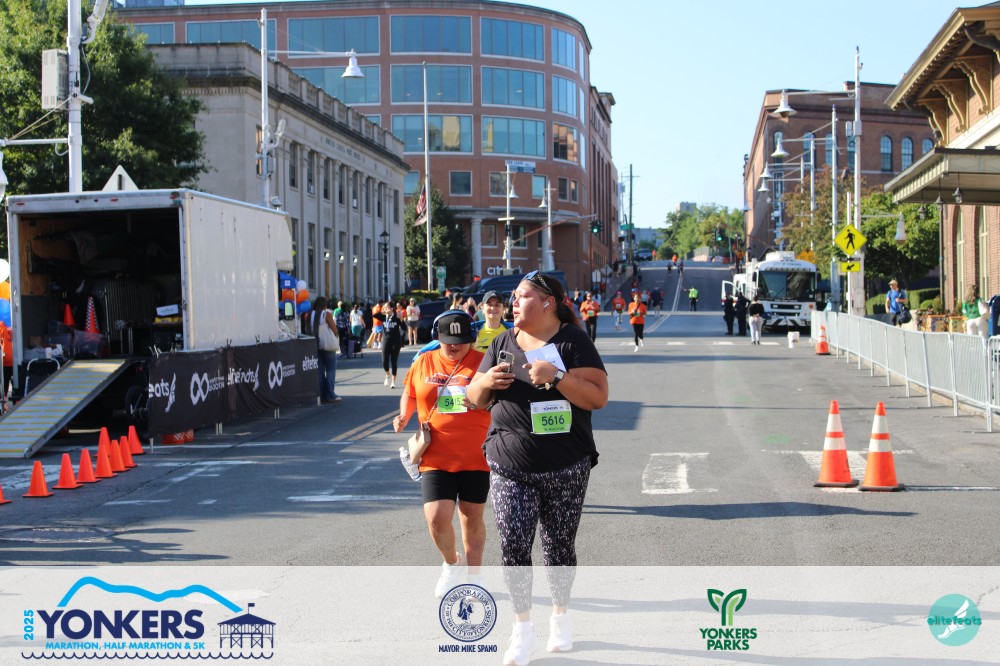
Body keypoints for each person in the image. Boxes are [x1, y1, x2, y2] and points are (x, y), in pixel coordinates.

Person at [466, 271, 608, 665]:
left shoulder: (573, 341)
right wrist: (487, 382)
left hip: (566, 464)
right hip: (510, 461)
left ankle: (560, 617)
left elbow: (598, 397)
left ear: (548, 303)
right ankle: (523, 629)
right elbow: (474, 398)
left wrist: (557, 376)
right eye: (512, 297)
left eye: (522, 296)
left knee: (558, 546)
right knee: (513, 544)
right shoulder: (502, 342)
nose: (513, 303)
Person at [393, 311, 492, 599]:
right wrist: (404, 415)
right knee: (436, 517)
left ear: (470, 339)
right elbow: (411, 393)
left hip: (476, 454)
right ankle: (452, 564)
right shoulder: (424, 361)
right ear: (438, 338)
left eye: (461, 341)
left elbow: (499, 398)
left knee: (471, 515)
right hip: (435, 455)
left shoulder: (484, 363)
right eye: (448, 341)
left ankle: (475, 576)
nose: (454, 346)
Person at [312, 297, 342, 403]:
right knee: (330, 369)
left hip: (315, 344)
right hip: (327, 345)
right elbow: (334, 329)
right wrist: (335, 335)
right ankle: (330, 394)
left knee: (320, 370)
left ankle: (322, 394)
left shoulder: (310, 315)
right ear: (324, 305)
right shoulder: (326, 314)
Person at [381, 306, 405, 388]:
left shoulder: (396, 317)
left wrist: (401, 319)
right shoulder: (383, 317)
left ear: (392, 309)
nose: (386, 310)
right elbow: (374, 315)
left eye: (388, 308)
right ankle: (388, 375)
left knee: (394, 361)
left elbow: (404, 328)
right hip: (386, 341)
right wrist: (383, 311)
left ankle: (393, 381)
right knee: (384, 361)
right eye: (385, 308)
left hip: (395, 342)